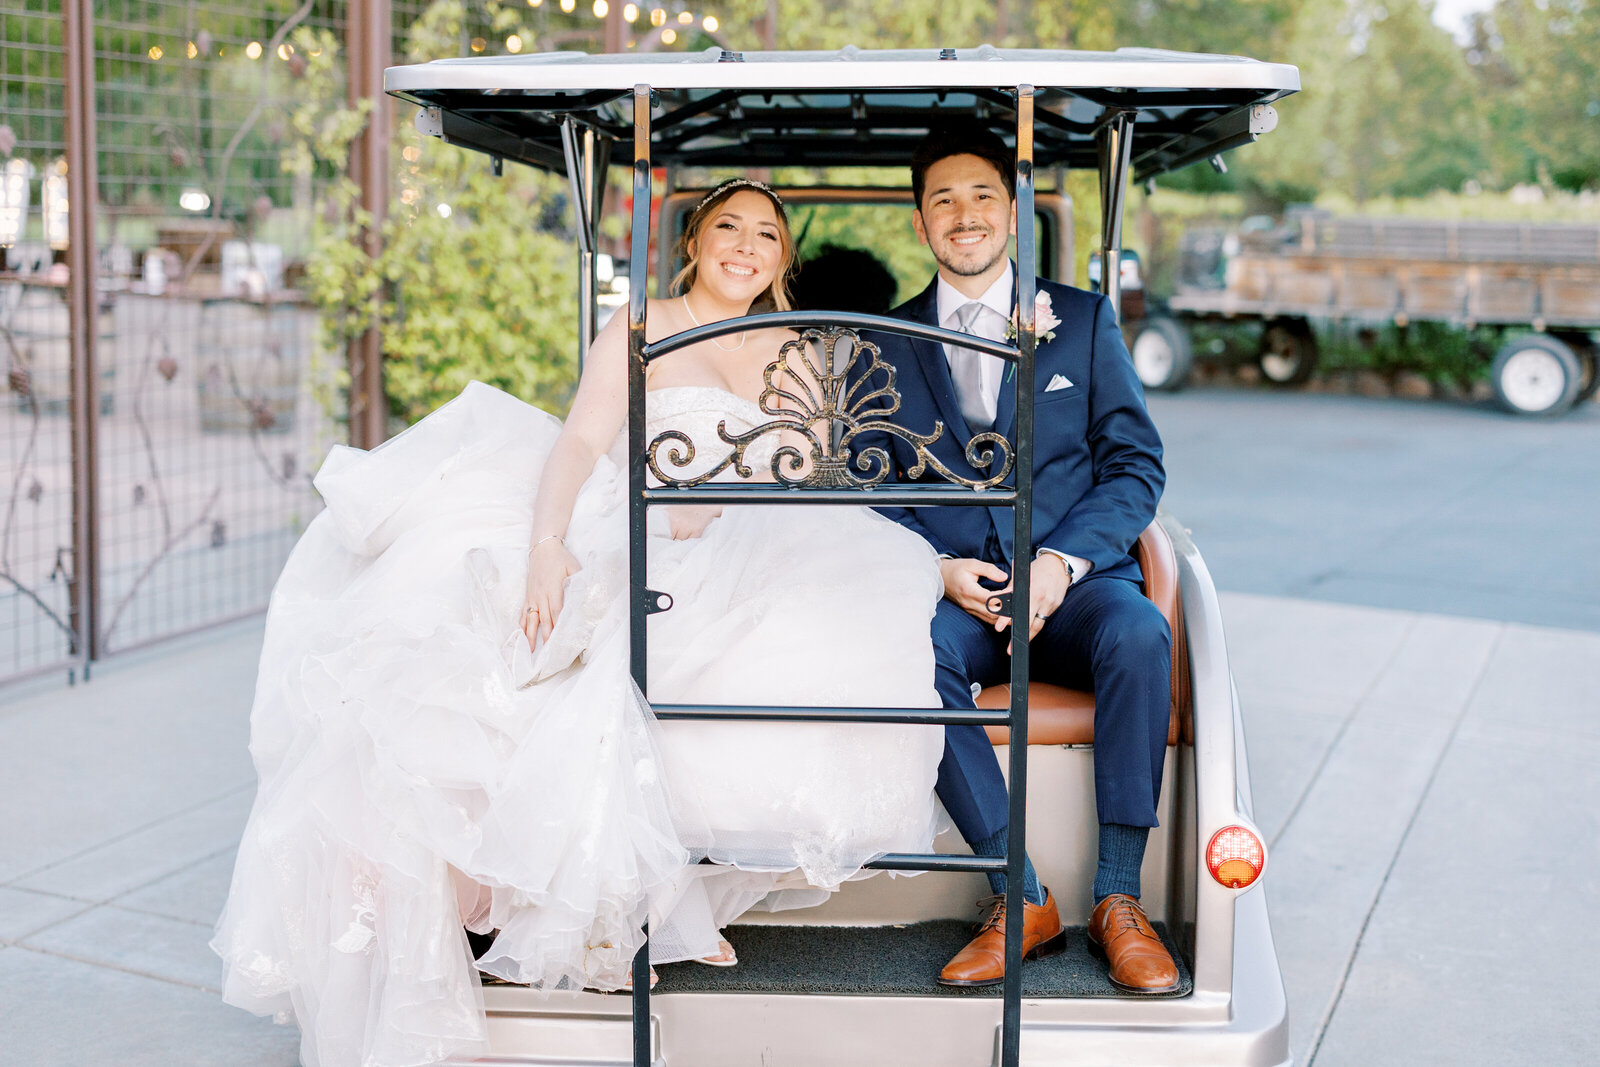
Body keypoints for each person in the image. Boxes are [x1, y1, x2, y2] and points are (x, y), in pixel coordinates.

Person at [212, 178, 946, 1067]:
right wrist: (548, 543)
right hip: (639, 524)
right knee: (555, 664)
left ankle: (670, 892)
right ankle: (602, 897)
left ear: (783, 257)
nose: (745, 246)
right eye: (727, 228)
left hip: (755, 538)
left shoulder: (801, 349)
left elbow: (822, 485)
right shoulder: (644, 324)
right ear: (694, 243)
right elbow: (578, 442)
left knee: (837, 620)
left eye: (764, 233)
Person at [858, 124, 1179, 994]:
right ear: (921, 222)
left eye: (981, 196)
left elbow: (1135, 464)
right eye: (943, 200)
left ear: (1013, 208)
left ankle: (1119, 897)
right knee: (906, 656)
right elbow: (868, 479)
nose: (964, 216)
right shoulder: (881, 339)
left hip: (1071, 591)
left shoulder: (1079, 319)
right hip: (957, 593)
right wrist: (936, 571)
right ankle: (1020, 892)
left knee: (1143, 634)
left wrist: (1062, 563)